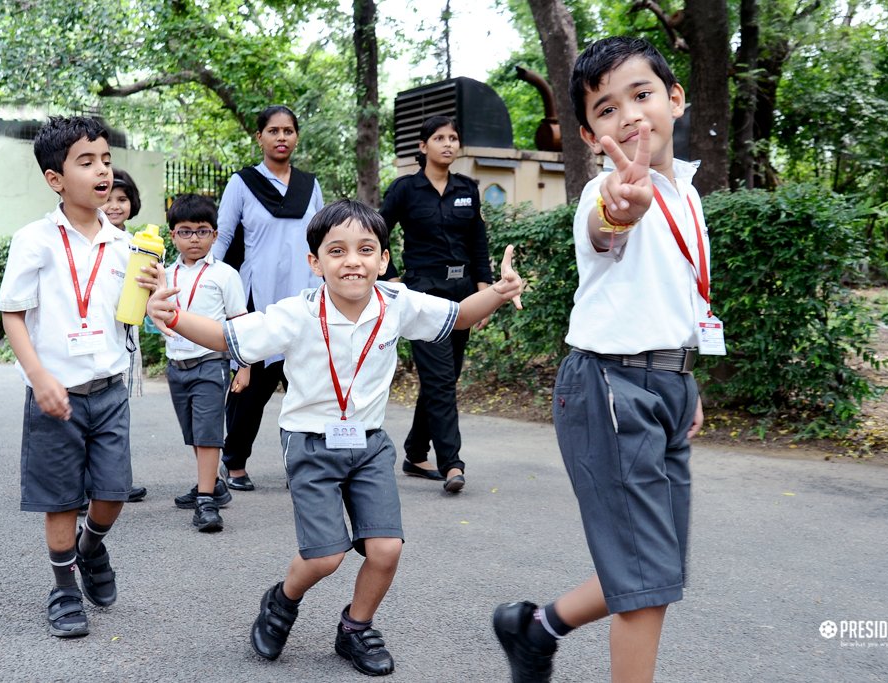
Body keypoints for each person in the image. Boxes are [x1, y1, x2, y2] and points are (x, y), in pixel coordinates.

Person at [143, 199, 522, 676]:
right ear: (315, 262)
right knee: (325, 557)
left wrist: (500, 291)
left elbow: (459, 315)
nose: (353, 261)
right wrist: (172, 317)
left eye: (366, 249)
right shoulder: (296, 313)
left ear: (383, 259)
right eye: (337, 250)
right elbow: (228, 335)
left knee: (386, 550)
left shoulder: (397, 304)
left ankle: (355, 629)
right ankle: (282, 601)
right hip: (310, 443)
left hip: (368, 444)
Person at [492, 37, 714, 683]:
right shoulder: (604, 194)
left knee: (656, 564)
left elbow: (676, 294)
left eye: (642, 95)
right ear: (590, 135)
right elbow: (607, 223)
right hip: (613, 387)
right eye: (607, 110)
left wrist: (686, 374)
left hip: (665, 384)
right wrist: (621, 207)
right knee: (646, 582)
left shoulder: (689, 196)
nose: (630, 116)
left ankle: (535, 627)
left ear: (674, 98)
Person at [0, 116, 134, 638]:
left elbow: (135, 311)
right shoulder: (34, 240)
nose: (102, 171)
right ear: (56, 179)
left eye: (105, 160)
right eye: (86, 161)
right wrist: (39, 376)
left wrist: (158, 292)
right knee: (60, 499)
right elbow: (13, 313)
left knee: (113, 493)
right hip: (55, 394)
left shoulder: (124, 244)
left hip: (110, 389)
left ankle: (90, 548)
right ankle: (63, 589)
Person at [210, 104, 324, 492]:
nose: (281, 137)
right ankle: (234, 462)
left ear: (296, 136)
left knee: (308, 387)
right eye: (273, 131)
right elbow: (223, 236)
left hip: (306, 297)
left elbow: (323, 238)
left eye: (288, 131)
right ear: (259, 137)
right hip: (257, 299)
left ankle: (309, 466)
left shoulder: (310, 185)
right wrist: (204, 280)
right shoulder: (241, 183)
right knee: (251, 389)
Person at [379, 115, 493, 493]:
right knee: (441, 380)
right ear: (423, 145)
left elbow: (478, 242)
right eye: (440, 138)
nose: (448, 144)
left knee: (443, 378)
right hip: (423, 296)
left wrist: (484, 292)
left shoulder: (467, 189)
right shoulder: (405, 190)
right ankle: (452, 464)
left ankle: (414, 453)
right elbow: (376, 230)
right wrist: (392, 278)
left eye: (453, 138)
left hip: (462, 295)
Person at [163, 194, 247, 531]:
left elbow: (239, 322)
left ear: (214, 234)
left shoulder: (225, 275)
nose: (194, 238)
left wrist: (245, 365)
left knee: (209, 434)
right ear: (173, 236)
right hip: (176, 365)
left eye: (202, 231)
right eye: (185, 231)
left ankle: (206, 501)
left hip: (210, 363)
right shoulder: (164, 274)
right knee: (194, 433)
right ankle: (213, 485)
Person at [99, 167, 147, 504]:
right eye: (109, 198)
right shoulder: (91, 241)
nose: (116, 206)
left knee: (118, 409)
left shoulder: (138, 244)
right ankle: (96, 483)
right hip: (98, 336)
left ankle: (118, 481)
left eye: (123, 198)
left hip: (126, 335)